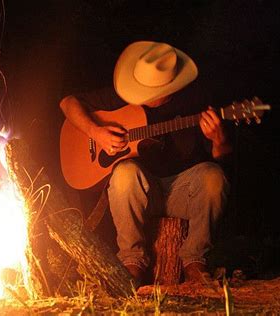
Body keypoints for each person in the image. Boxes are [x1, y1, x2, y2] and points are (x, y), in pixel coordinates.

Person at [59, 41, 233, 285]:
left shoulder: (197, 102)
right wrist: (96, 132)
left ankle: (195, 260)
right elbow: (67, 103)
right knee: (125, 172)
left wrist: (219, 138)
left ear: (168, 89)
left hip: (182, 193)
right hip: (141, 194)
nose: (138, 95)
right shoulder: (122, 98)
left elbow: (222, 156)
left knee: (213, 175)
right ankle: (132, 261)